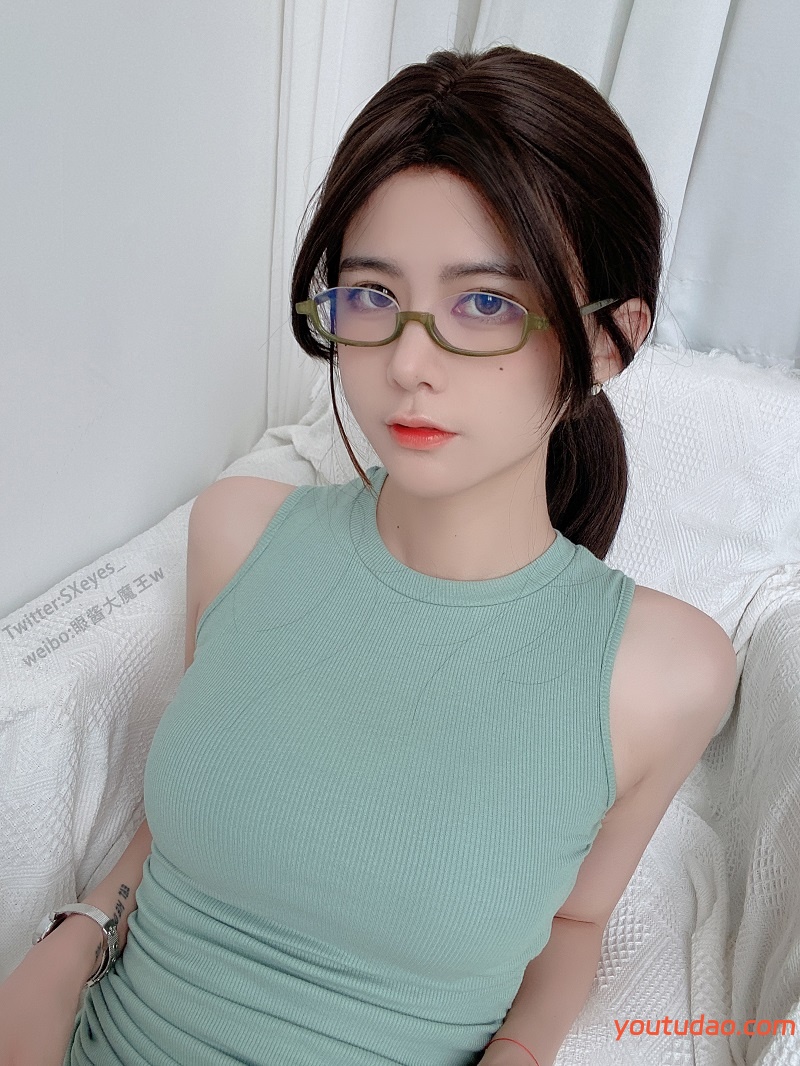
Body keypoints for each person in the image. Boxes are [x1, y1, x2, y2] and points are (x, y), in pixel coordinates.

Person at [0, 45, 738, 1066]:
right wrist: (64, 949)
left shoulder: (664, 672)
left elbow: (573, 922)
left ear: (609, 341)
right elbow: (178, 829)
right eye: (372, 296)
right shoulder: (239, 532)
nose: (407, 362)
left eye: (486, 303)